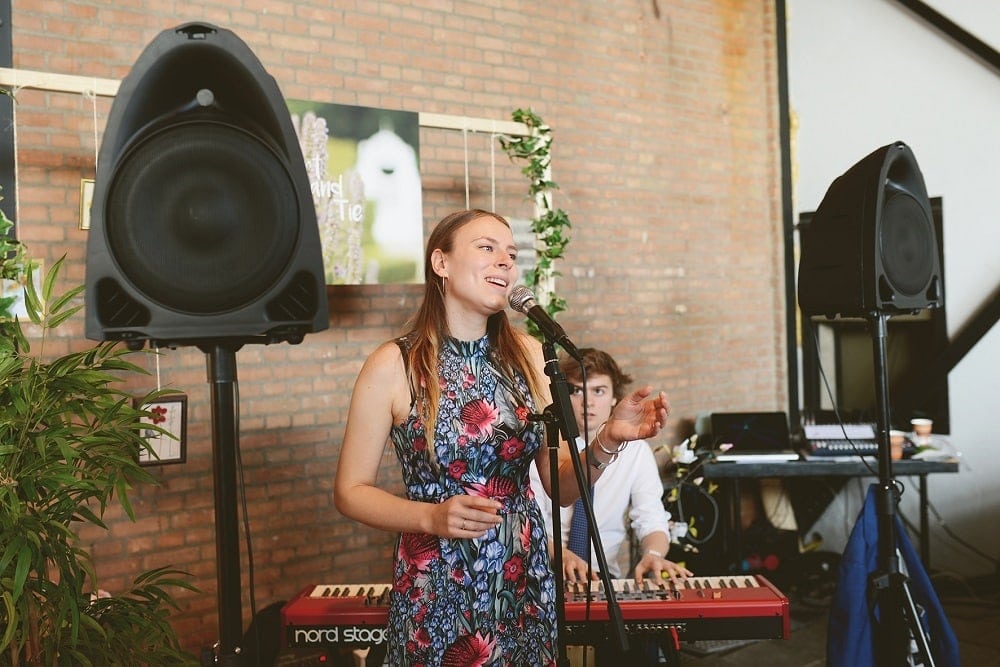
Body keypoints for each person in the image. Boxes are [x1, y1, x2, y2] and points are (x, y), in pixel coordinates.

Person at [333, 209, 671, 667]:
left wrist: (608, 439)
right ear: (441, 264)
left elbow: (561, 487)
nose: (506, 263)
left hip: (523, 576)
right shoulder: (394, 364)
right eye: (487, 248)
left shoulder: (530, 356)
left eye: (511, 254)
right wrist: (431, 518)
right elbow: (350, 491)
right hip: (438, 581)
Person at [530, 348, 692, 665]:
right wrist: (558, 553)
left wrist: (653, 555)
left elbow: (652, 520)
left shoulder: (635, 453)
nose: (588, 402)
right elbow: (526, 521)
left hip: (606, 584)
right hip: (543, 581)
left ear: (614, 397)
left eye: (599, 391)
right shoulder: (545, 445)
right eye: (576, 391)